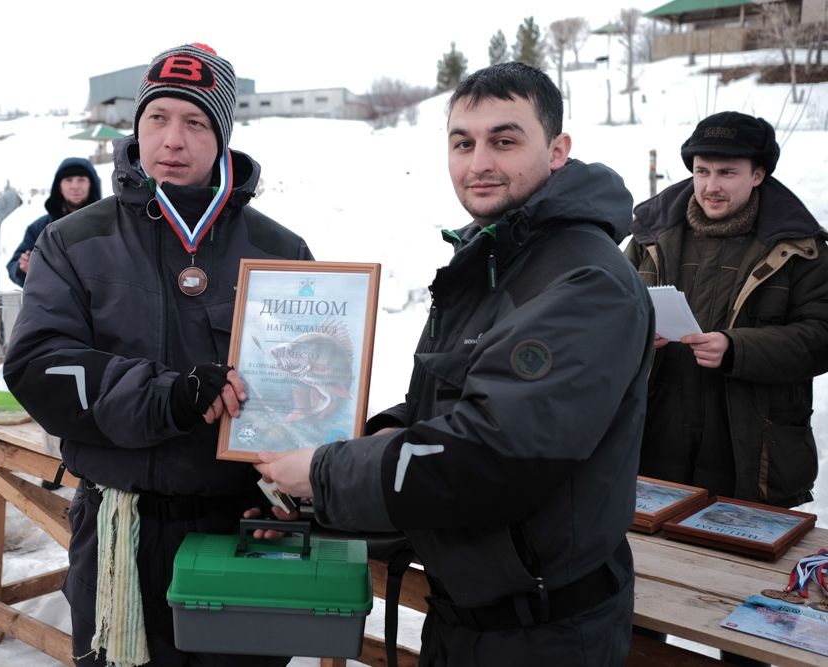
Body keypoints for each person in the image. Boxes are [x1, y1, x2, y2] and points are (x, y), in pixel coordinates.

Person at [255, 62, 655, 666]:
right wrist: (343, 456)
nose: (479, 163)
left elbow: (493, 453)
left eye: (504, 139)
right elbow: (445, 403)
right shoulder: (494, 258)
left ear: (558, 150)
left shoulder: (581, 280)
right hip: (469, 616)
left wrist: (329, 472)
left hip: (542, 637)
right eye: (462, 143)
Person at [3, 43, 312, 667]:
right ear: (136, 127)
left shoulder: (280, 249)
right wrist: (165, 395)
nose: (172, 140)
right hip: (120, 533)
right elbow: (38, 365)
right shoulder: (74, 240)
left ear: (221, 135)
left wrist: (288, 498)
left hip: (237, 530)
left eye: (195, 122)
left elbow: (309, 385)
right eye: (157, 118)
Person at [626, 111, 828, 509]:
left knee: (740, 568)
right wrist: (633, 333)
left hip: (751, 450)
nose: (710, 186)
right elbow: (603, 314)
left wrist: (737, 349)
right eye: (702, 172)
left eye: (727, 173)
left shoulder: (801, 248)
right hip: (653, 438)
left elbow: (822, 335)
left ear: (758, 175)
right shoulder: (648, 236)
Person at [5, 156, 102, 288]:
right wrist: (23, 268)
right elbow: (14, 266)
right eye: (68, 180)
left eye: (81, 180)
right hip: (53, 305)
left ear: (92, 184)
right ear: (59, 186)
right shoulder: (40, 228)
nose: (75, 186)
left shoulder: (109, 224)